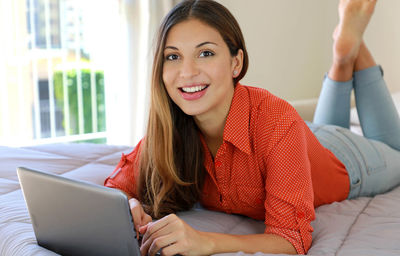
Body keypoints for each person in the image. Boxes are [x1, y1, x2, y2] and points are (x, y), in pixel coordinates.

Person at [104, 0, 400, 255]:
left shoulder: (276, 119)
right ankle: (345, 51)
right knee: (316, 128)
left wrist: (204, 241)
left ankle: (348, 49)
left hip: (348, 160)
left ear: (237, 63)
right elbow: (117, 186)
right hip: (305, 138)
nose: (187, 72)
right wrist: (127, 205)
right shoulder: (170, 126)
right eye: (173, 56)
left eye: (205, 53)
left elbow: (291, 239)